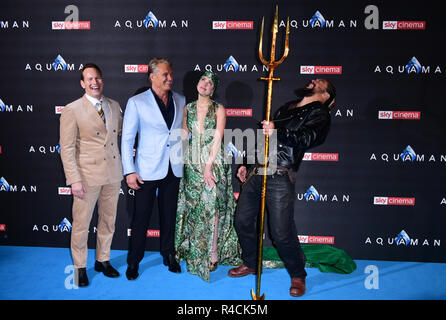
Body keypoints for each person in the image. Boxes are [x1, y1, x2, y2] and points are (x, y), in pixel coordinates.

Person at [228, 78, 336, 297]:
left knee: (280, 231)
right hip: (257, 171)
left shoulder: (320, 114)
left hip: (279, 174)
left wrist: (277, 130)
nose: (313, 80)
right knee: (242, 220)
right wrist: (247, 164)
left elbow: (309, 138)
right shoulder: (286, 107)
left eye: (320, 81)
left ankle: (298, 274)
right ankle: (251, 262)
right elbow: (263, 140)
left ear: (327, 96)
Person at [121, 57, 185, 280]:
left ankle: (169, 254)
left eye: (170, 74)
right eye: (165, 74)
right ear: (152, 76)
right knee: (141, 218)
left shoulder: (181, 99)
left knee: (169, 216)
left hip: (173, 169)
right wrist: (129, 170)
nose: (170, 78)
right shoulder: (137, 102)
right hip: (146, 170)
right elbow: (127, 139)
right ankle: (133, 262)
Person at [59, 63, 123, 287]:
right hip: (86, 177)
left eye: (97, 78)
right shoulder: (72, 109)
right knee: (81, 224)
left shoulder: (115, 106)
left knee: (108, 221)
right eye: (89, 79)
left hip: (113, 175)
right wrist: (74, 179)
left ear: (102, 80)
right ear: (82, 83)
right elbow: (66, 149)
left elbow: (121, 136)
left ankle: (103, 260)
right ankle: (79, 267)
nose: (94, 82)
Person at [175, 71, 242, 282]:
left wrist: (208, 166)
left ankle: (212, 253)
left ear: (213, 89)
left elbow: (218, 138)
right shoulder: (188, 108)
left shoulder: (219, 108)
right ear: (198, 84)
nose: (205, 84)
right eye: (203, 80)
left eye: (210, 82)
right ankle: (196, 250)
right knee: (194, 207)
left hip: (213, 160)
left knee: (212, 207)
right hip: (192, 161)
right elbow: (184, 136)